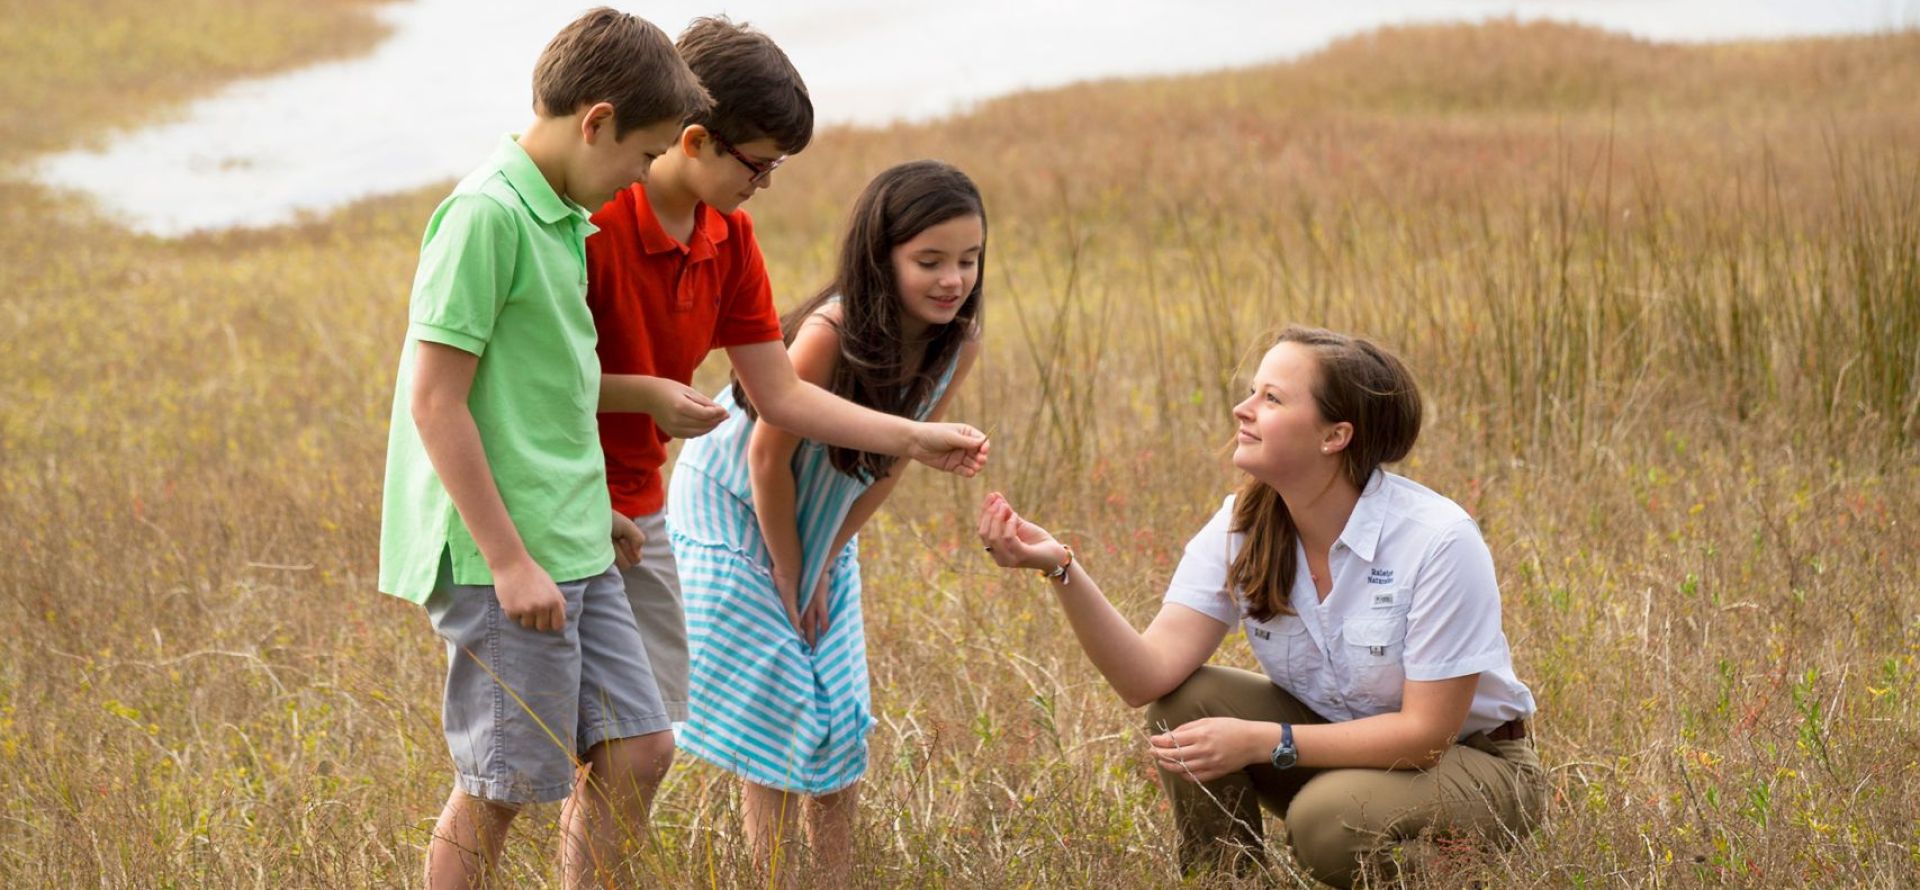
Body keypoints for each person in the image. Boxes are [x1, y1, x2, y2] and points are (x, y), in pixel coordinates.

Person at [582, 15, 988, 811]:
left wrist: (908, 446)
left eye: (967, 261)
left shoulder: (730, 237)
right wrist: (653, 397)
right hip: (592, 499)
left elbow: (781, 397)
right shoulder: (591, 222)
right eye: (759, 164)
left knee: (636, 747)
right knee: (532, 766)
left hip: (639, 502)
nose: (764, 184)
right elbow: (532, 382)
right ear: (694, 140)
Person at [977, 325, 1546, 888]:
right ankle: (1225, 879)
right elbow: (1144, 677)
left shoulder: (1438, 539)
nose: (1241, 409)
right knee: (1186, 703)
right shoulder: (1241, 526)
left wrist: (1263, 740)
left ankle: (1464, 873)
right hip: (1343, 750)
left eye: (1270, 398)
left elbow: (1425, 736)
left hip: (1474, 765)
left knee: (1326, 823)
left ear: (1335, 436)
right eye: (1252, 392)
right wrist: (1059, 567)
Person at [375, 9, 707, 887]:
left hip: (570, 537)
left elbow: (543, 393)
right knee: (502, 784)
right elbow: (436, 398)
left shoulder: (563, 215)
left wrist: (593, 512)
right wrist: (509, 558)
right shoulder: (486, 215)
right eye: (642, 157)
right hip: (502, 559)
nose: (643, 177)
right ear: (596, 121)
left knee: (640, 745)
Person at [668, 160, 986, 885]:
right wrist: (789, 569)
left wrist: (827, 557)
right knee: (781, 694)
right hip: (734, 503)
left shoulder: (955, 343)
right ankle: (775, 876)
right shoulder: (831, 331)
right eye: (928, 261)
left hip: (820, 520)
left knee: (839, 706)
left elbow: (893, 464)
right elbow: (764, 455)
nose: (952, 280)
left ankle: (833, 876)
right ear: (882, 258)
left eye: (968, 260)